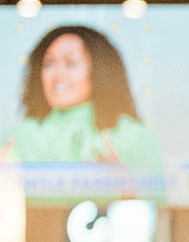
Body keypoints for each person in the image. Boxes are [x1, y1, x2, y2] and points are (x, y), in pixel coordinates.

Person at [5, 25, 163, 173]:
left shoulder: (137, 136)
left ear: (99, 69)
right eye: (49, 64)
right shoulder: (18, 138)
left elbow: (159, 201)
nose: (58, 74)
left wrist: (124, 186)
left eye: (71, 63)